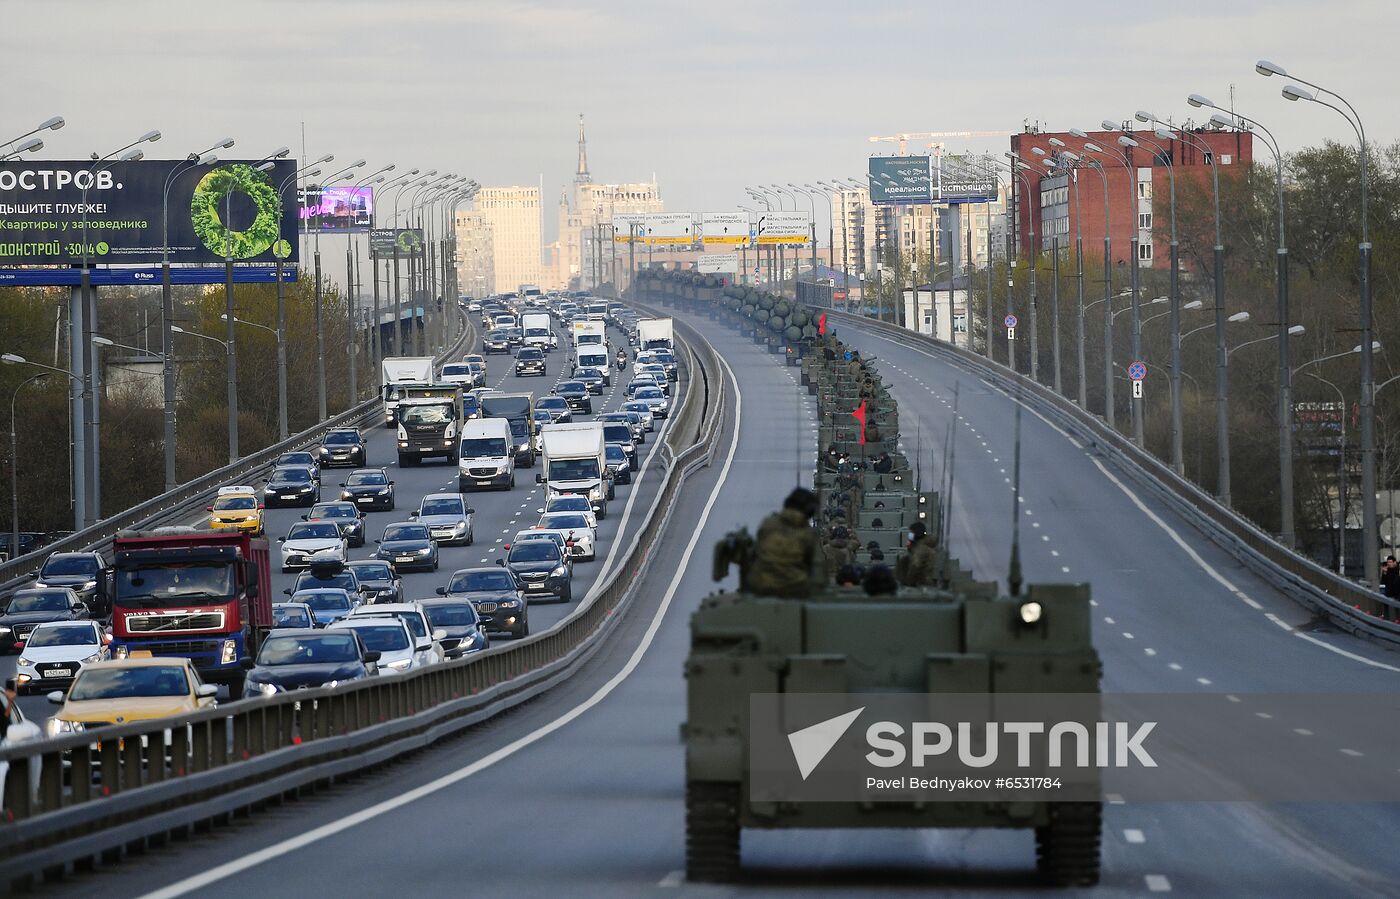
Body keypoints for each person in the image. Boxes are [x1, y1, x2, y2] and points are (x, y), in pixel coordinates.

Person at [746, 487, 824, 598]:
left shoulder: (768, 523)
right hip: (795, 587)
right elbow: (816, 566)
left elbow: (756, 551)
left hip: (761, 584)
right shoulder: (809, 534)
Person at [896, 522, 941, 587]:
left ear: (917, 533)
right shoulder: (924, 546)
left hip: (922, 584)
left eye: (911, 532)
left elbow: (915, 566)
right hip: (927, 582)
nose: (910, 535)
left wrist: (908, 581)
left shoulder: (921, 549)